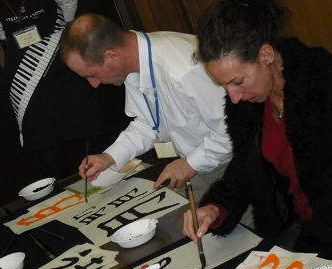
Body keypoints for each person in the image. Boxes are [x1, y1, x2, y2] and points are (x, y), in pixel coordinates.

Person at [182, 0, 332, 260]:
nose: (233, 97)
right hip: (297, 229)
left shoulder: (328, 88)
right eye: (225, 86)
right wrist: (216, 208)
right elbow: (248, 167)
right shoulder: (250, 102)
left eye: (238, 82)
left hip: (329, 235)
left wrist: (309, 253)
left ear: (265, 56)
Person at [60, 13, 233, 190]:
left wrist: (190, 164)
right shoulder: (133, 63)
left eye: (93, 75)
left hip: (232, 162)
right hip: (202, 163)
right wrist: (109, 156)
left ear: (112, 56)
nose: (94, 84)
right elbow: (149, 123)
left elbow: (233, 130)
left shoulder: (182, 69)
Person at [0, 0, 116, 180]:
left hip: (60, 46)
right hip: (22, 63)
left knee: (91, 120)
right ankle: (59, 193)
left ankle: (108, 176)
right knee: (41, 135)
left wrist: (64, 32)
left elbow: (68, 2)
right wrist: (11, 37)